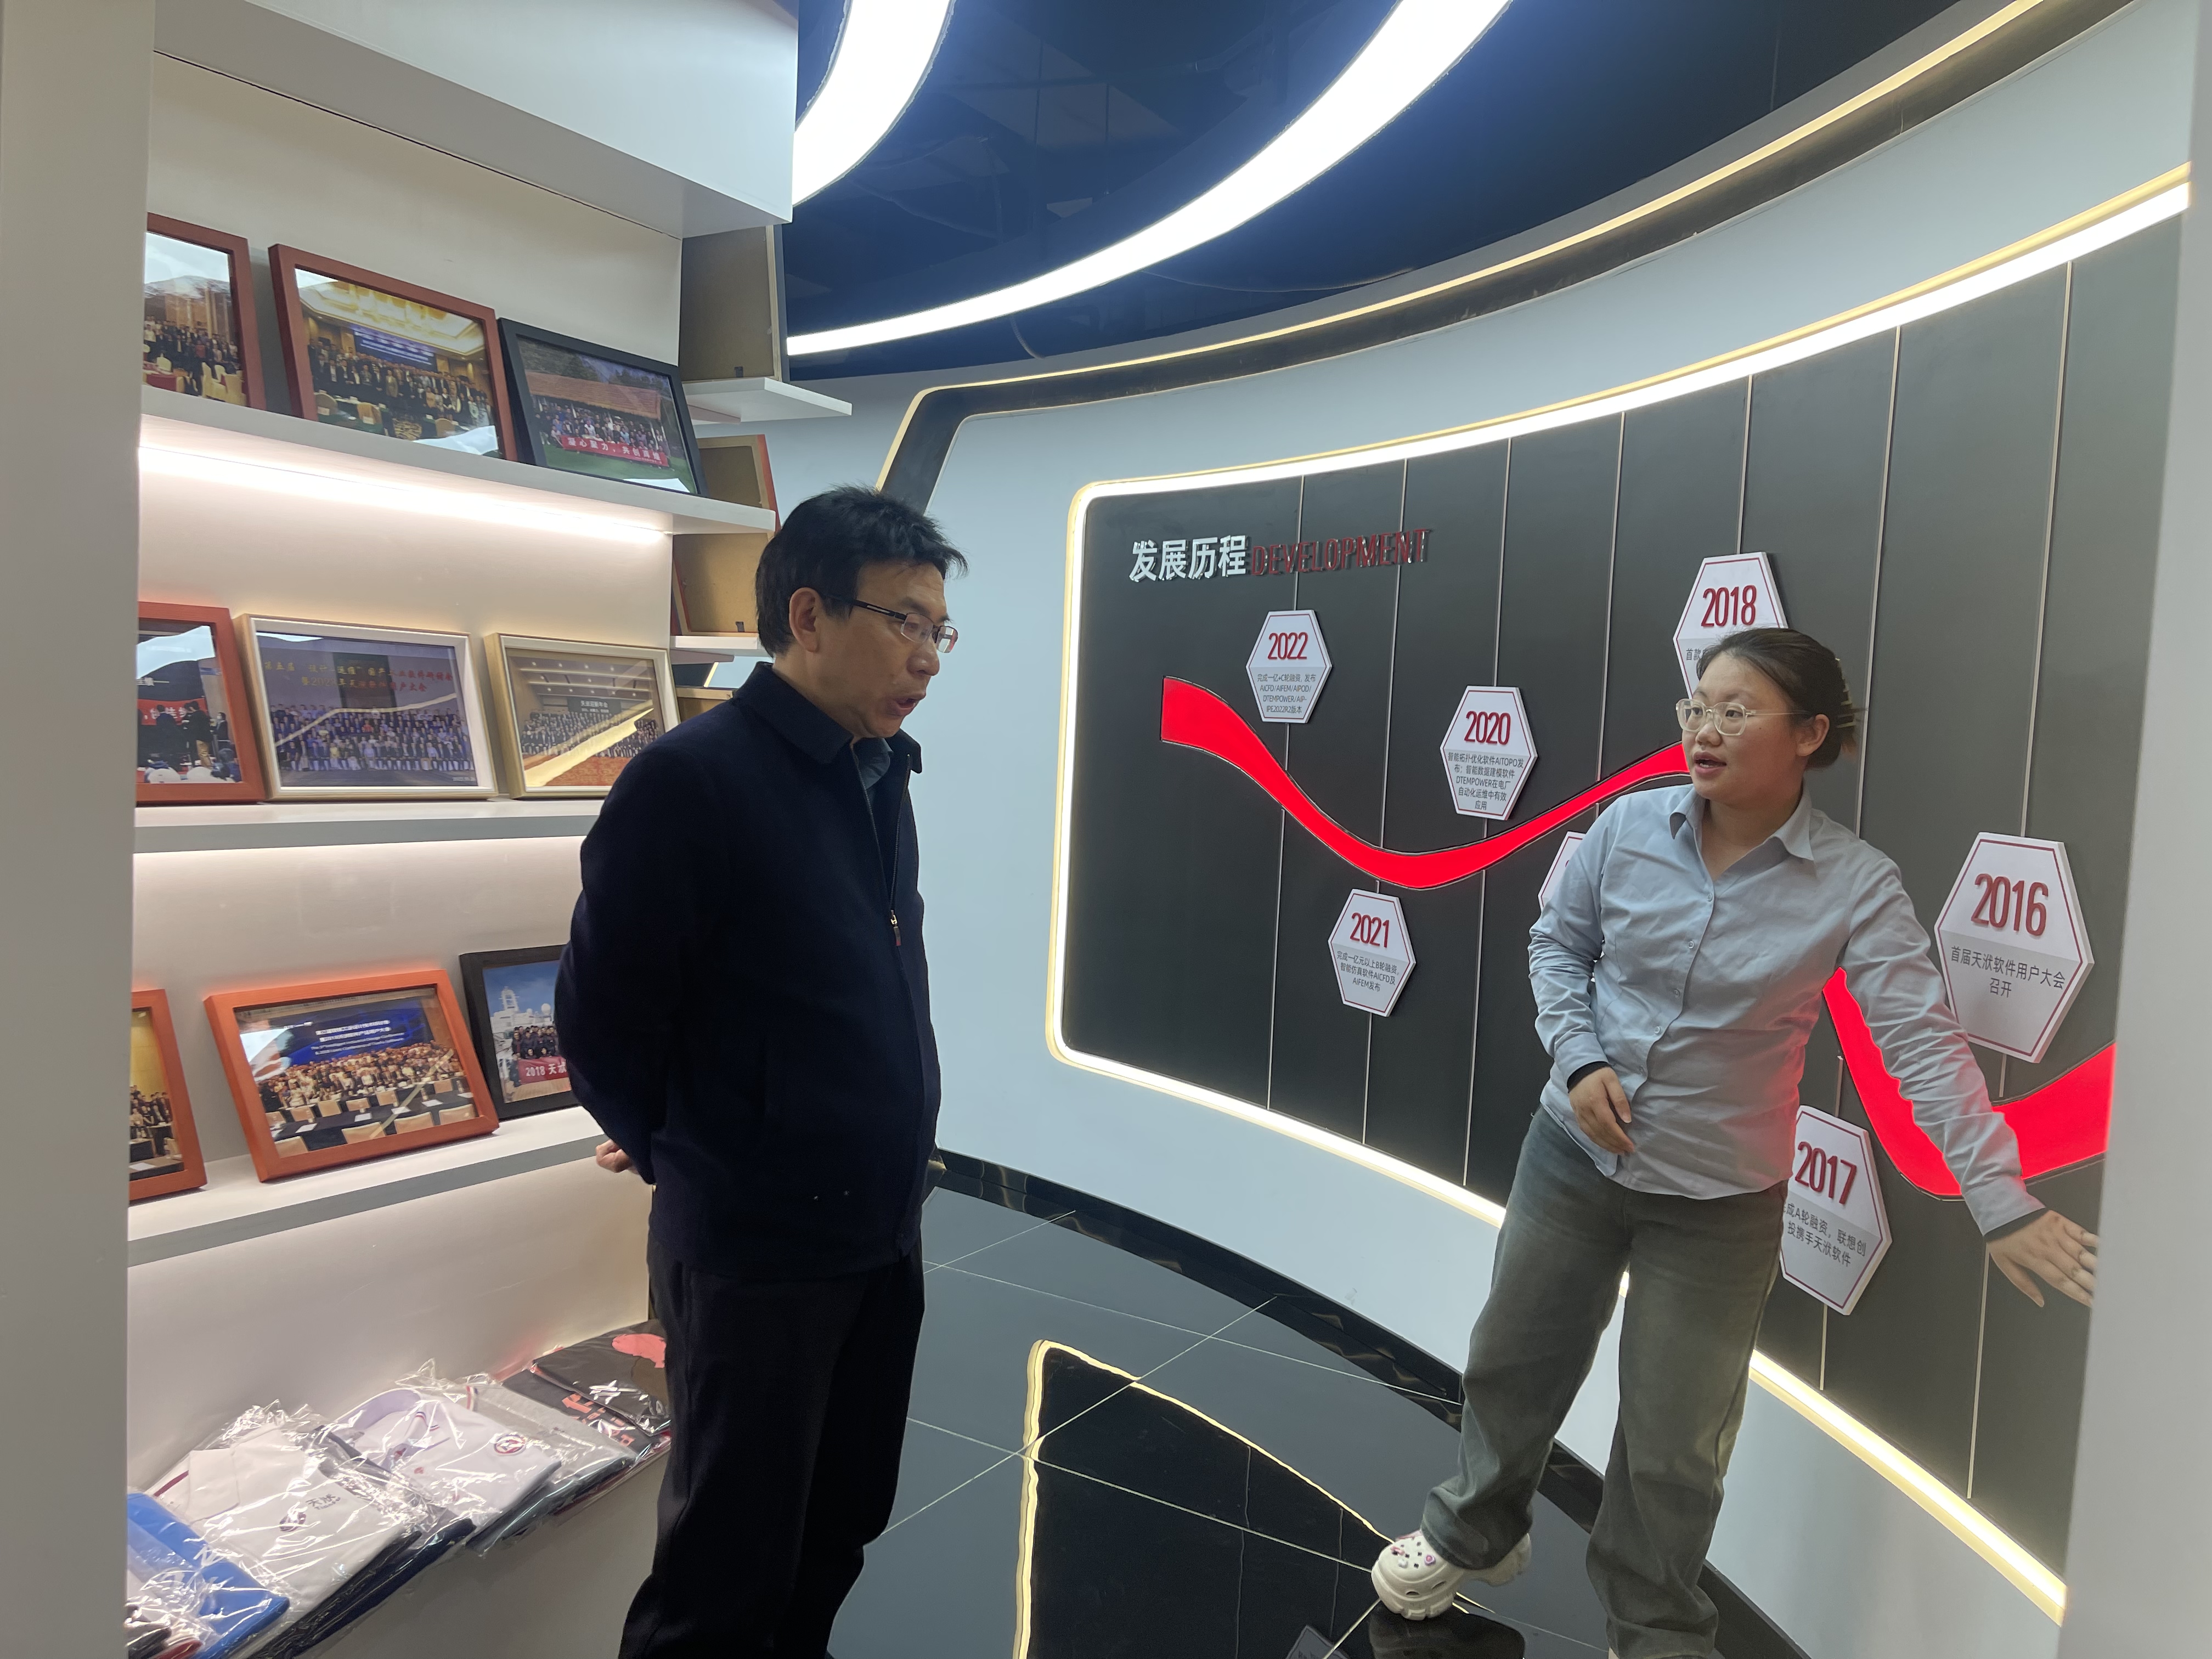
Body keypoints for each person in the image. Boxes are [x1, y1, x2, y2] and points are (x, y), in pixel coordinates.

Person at [1370, 627, 2097, 1659]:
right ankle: (1472, 1535)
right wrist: (1579, 1059)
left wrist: (2001, 1200)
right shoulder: (1628, 827)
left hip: (1719, 1205)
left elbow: (1924, 1048)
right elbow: (1557, 945)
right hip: (1571, 1159)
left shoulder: (1857, 885)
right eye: (1697, 707)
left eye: (1737, 710)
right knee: (1510, 1363)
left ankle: (1655, 1631)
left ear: (1809, 734)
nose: (1705, 730)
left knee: (1676, 1445)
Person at [556, 484, 964, 1659]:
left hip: (880, 1231)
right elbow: (602, 1016)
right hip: (755, 1255)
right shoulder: (691, 781)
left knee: (839, 1525)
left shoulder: (878, 770)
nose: (927, 657)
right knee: (723, 1574)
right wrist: (695, 1151)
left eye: (941, 630)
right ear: (808, 615)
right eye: (905, 622)